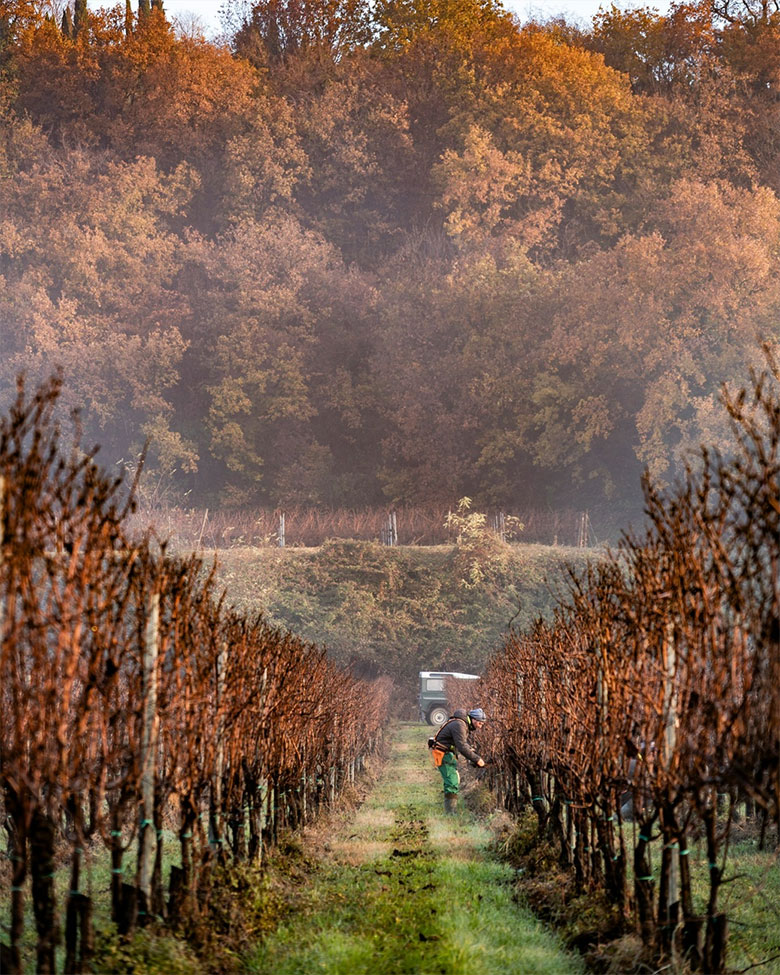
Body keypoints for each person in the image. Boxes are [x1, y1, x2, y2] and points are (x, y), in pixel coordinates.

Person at [431, 708, 486, 815]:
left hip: (448, 753)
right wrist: (477, 759)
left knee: (454, 780)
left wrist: (471, 753)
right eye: (480, 723)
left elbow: (461, 744)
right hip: (443, 754)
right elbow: (461, 746)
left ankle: (450, 810)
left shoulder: (461, 723)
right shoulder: (459, 725)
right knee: (452, 783)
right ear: (474, 720)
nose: (481, 726)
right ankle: (450, 813)